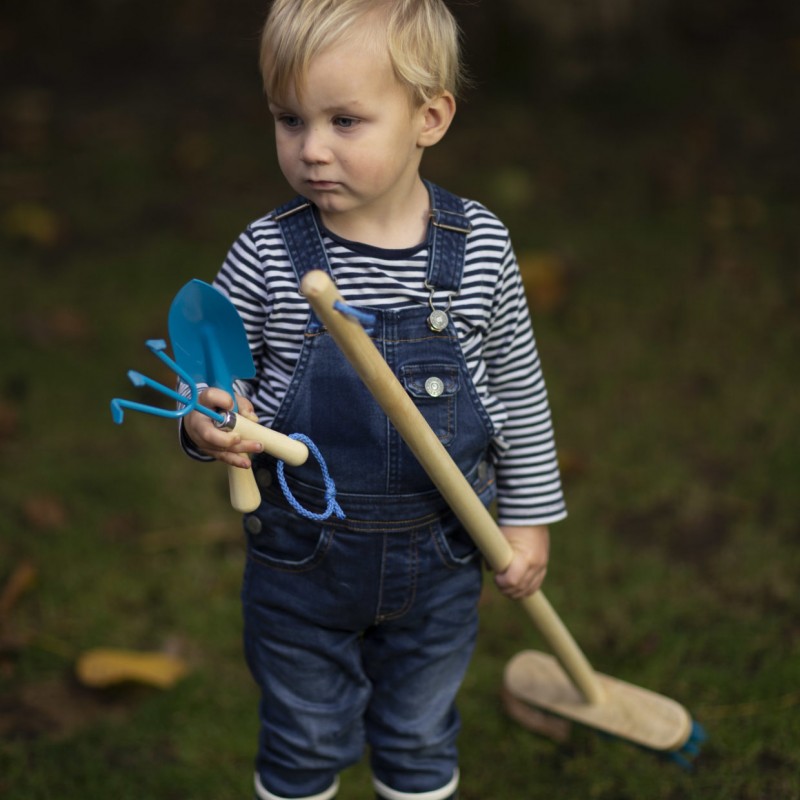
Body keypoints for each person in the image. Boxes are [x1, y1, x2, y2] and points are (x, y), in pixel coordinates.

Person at [182, 1, 566, 798]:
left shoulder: (481, 247)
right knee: (303, 737)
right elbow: (213, 376)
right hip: (302, 563)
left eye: (345, 121)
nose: (311, 149)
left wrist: (526, 519)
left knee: (420, 735)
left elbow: (518, 393)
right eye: (290, 120)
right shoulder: (267, 253)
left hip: (444, 557)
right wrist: (211, 420)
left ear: (429, 117)